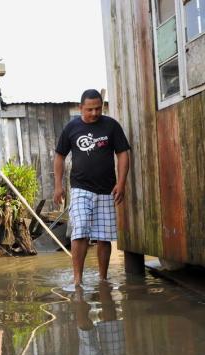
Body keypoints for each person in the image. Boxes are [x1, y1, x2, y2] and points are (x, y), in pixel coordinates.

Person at [54, 89, 130, 285]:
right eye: (90, 109)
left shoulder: (111, 126)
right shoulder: (71, 128)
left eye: (98, 108)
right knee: (80, 230)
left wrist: (121, 183)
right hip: (80, 188)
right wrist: (58, 186)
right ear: (80, 108)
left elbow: (123, 154)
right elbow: (59, 156)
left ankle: (103, 279)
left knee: (104, 237)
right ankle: (78, 280)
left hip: (107, 189)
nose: (94, 113)